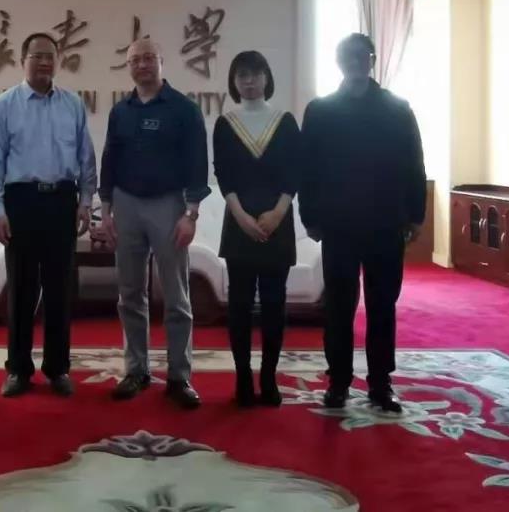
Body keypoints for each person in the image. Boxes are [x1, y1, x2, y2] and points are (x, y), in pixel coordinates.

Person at [299, 33, 426, 413]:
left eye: (361, 55)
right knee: (338, 306)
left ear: (371, 59)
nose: (355, 61)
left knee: (382, 305)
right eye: (348, 56)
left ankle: (380, 383)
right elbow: (308, 169)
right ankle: (338, 381)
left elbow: (414, 163)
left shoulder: (397, 108)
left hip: (386, 222)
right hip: (338, 224)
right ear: (339, 61)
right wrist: (310, 217)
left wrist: (416, 214)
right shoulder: (320, 110)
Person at [99, 38, 209, 409]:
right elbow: (109, 159)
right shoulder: (121, 111)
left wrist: (191, 214)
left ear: (161, 62)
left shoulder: (183, 109)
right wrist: (106, 209)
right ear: (129, 66)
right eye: (135, 60)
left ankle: (179, 376)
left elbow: (197, 162)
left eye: (149, 58)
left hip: (169, 205)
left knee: (176, 295)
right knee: (130, 293)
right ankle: (136, 370)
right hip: (126, 204)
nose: (142, 65)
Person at [0, 32, 97, 398]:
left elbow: (86, 158)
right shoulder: (5, 105)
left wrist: (85, 202)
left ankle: (57, 368)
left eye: (50, 55)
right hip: (21, 202)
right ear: (23, 60)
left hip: (61, 201)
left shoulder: (72, 104)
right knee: (21, 288)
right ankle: (18, 369)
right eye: (37, 56)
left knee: (60, 289)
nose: (45, 62)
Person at [212, 51, 300, 408]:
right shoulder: (225, 123)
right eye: (242, 75)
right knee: (239, 305)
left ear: (267, 77)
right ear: (234, 81)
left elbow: (294, 172)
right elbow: (224, 175)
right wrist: (241, 216)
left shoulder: (286, 121)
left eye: (255, 74)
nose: (249, 81)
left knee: (275, 305)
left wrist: (278, 213)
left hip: (278, 221)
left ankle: (269, 377)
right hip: (239, 223)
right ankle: (243, 378)